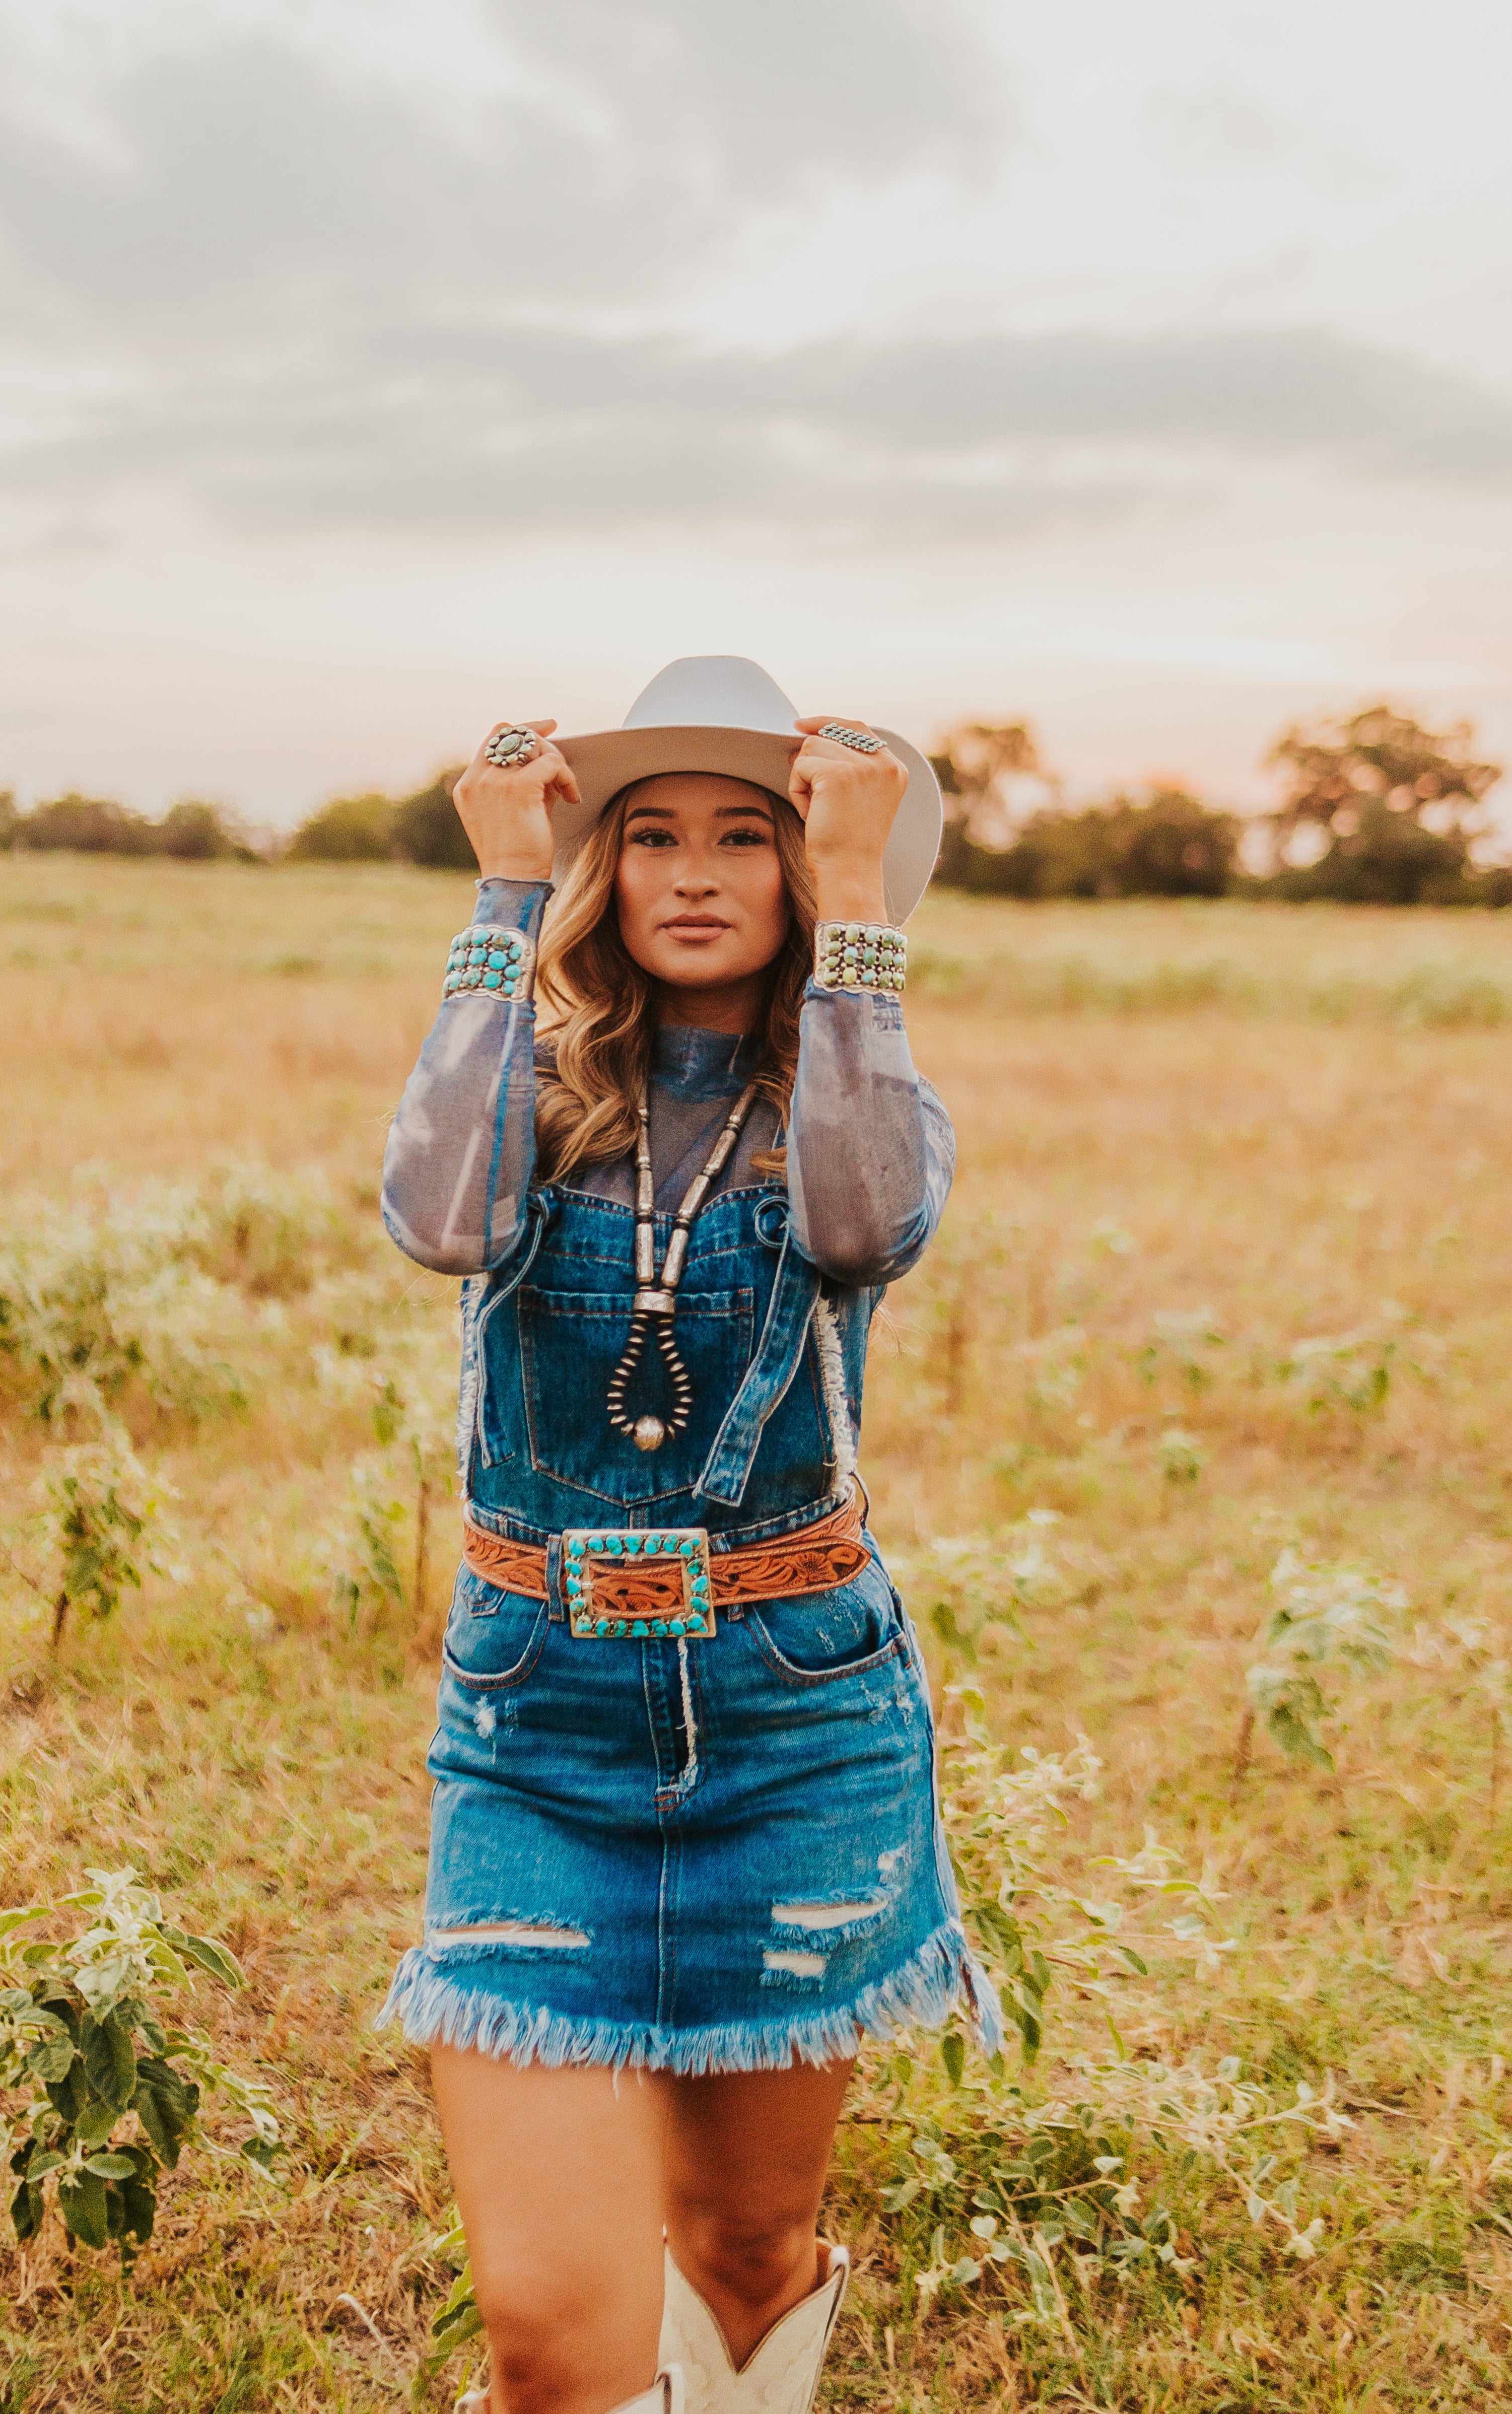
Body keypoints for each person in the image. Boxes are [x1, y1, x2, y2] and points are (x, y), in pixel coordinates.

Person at [377, 658, 999, 2414]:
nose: (700, 872)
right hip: (540, 1731)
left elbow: (865, 1225)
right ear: (605, 869)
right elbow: (437, 1215)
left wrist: (864, 909)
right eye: (652, 836)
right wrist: (504, 895)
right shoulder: (532, 1074)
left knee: (742, 2253)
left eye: (754, 836)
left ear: (810, 872)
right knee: (547, 2337)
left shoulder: (854, 1090)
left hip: (794, 1721)